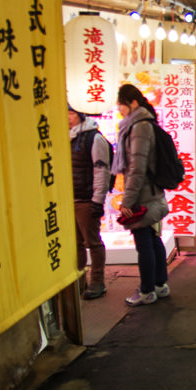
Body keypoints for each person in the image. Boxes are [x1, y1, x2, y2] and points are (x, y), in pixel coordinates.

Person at [113, 84, 170, 307]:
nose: (119, 109)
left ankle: (147, 290)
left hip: (143, 194)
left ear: (132, 103)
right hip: (149, 190)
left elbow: (137, 167)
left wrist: (127, 200)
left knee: (143, 241)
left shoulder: (139, 127)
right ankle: (159, 284)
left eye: (121, 104)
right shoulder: (142, 124)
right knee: (152, 239)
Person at [68, 105, 112, 300]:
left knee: (92, 242)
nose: (68, 118)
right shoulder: (65, 137)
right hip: (68, 200)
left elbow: (101, 170)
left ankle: (97, 281)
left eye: (71, 113)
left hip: (86, 198)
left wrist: (97, 200)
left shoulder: (94, 138)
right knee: (74, 243)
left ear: (80, 114)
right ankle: (78, 279)